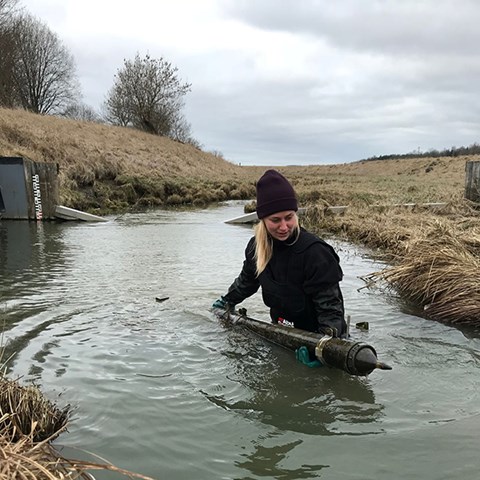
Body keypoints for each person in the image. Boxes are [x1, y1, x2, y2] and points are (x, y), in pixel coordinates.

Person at [213, 169, 347, 338]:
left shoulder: (316, 253)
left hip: (316, 334)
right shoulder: (256, 247)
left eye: (289, 217)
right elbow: (246, 282)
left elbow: (330, 309)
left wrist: (325, 345)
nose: (284, 227)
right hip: (280, 330)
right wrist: (227, 301)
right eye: (275, 220)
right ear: (262, 220)